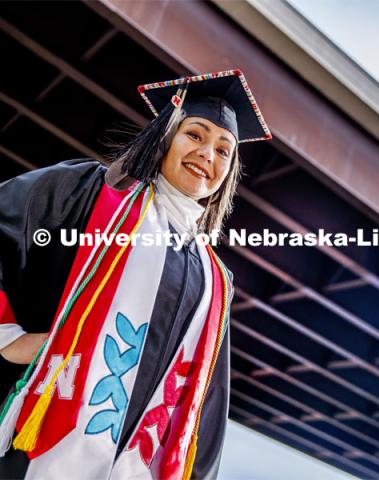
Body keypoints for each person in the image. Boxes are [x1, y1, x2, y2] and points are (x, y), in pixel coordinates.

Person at [0, 69, 271, 480]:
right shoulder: (91, 194)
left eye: (223, 150)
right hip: (36, 449)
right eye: (194, 135)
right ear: (165, 137)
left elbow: (205, 402)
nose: (207, 155)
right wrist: (8, 336)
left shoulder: (215, 279)